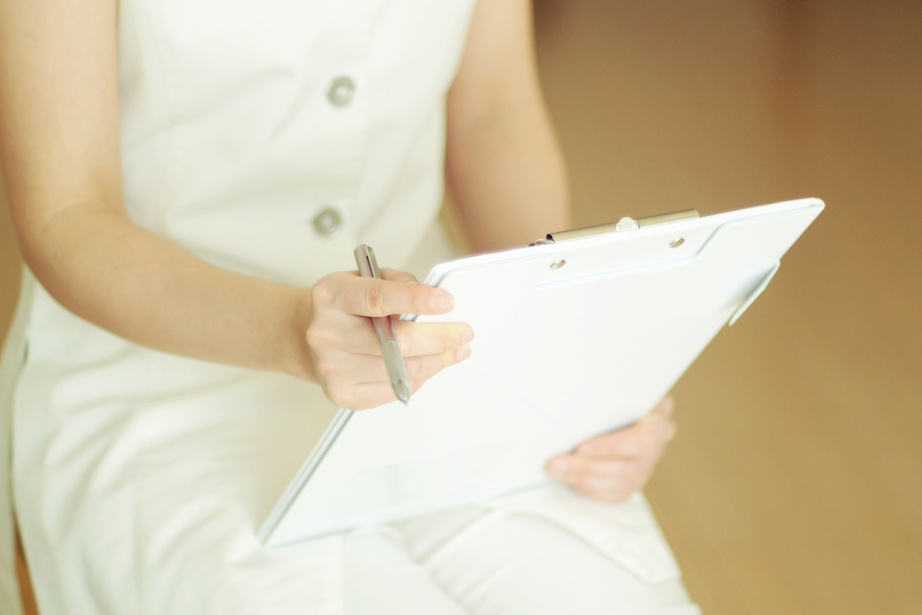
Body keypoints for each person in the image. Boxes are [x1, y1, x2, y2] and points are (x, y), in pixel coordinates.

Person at [0, 0, 699, 613]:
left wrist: (565, 339)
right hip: (154, 379)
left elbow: (494, 108)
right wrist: (288, 332)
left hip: (430, 356)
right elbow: (66, 212)